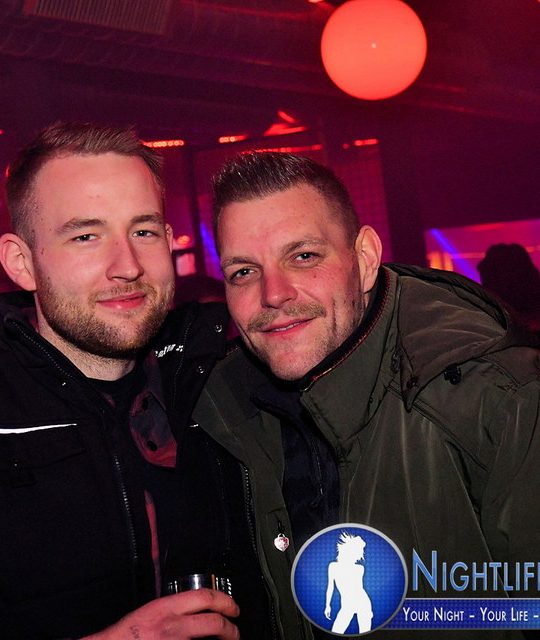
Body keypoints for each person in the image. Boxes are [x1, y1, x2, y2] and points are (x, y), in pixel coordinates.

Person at [0, 123, 272, 640]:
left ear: (169, 242)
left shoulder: (212, 397)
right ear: (22, 263)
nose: (127, 266)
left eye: (143, 232)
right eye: (85, 236)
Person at [191, 151, 540, 638]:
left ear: (365, 259)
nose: (273, 293)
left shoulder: (494, 398)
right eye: (244, 272)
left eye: (304, 256)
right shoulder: (221, 409)